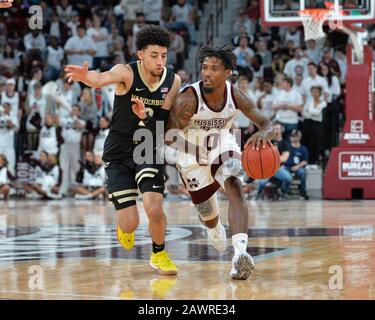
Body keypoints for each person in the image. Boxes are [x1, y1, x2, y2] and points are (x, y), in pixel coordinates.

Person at [64, 25, 181, 276]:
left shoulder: (173, 80)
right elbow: (100, 78)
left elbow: (162, 121)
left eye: (164, 55)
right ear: (140, 54)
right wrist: (86, 77)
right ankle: (123, 226)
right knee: (130, 224)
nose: (160, 61)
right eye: (154, 55)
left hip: (148, 145)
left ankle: (159, 253)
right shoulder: (125, 72)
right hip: (118, 149)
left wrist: (146, 116)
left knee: (154, 206)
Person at [160, 46, 275, 280]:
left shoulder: (236, 95)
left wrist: (266, 133)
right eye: (204, 68)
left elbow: (266, 123)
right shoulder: (188, 99)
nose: (207, 73)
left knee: (234, 182)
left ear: (228, 72)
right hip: (191, 156)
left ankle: (240, 254)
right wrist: (193, 149)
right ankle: (213, 227)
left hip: (222, 145)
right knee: (208, 216)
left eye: (214, 69)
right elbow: (168, 135)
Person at [256, 122, 292, 200]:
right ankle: (257, 195)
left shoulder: (286, 143)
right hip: (267, 168)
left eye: (278, 129)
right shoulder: (266, 142)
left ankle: (283, 192)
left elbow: (284, 158)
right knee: (261, 183)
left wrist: (271, 157)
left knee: (289, 178)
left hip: (278, 168)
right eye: (274, 129)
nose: (276, 131)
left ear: (282, 130)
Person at [285, 130, 309, 200]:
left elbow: (305, 161)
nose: (295, 138)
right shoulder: (287, 146)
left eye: (296, 136)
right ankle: (284, 191)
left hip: (298, 167)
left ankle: (303, 192)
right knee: (283, 172)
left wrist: (297, 166)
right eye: (293, 136)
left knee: (303, 172)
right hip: (287, 166)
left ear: (300, 137)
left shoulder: (303, 149)